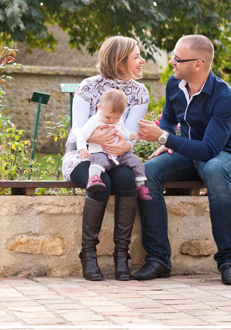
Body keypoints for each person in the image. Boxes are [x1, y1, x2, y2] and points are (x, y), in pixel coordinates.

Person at [134, 34, 231, 286]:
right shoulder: (175, 85)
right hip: (186, 152)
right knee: (146, 173)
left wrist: (165, 139)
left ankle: (229, 262)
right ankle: (158, 259)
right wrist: (167, 138)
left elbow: (209, 150)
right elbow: (168, 119)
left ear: (198, 63)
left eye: (177, 58)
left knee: (216, 172)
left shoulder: (224, 96)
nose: (171, 62)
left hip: (222, 154)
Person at [62, 36, 149, 281]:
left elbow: (129, 136)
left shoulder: (140, 93)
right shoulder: (89, 86)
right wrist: (99, 140)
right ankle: (88, 255)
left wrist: (122, 144)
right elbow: (78, 129)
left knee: (125, 181)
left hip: (116, 156)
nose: (142, 60)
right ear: (120, 62)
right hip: (83, 154)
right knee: (102, 185)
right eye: (136, 57)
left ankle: (122, 257)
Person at [77, 89, 151, 201]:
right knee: (99, 161)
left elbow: (123, 131)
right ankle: (94, 178)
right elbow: (81, 134)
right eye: (108, 117)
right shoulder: (95, 120)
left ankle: (140, 186)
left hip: (119, 154)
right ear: (99, 107)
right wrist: (82, 148)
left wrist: (130, 136)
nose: (112, 121)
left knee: (136, 161)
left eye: (116, 118)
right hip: (101, 151)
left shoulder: (119, 120)